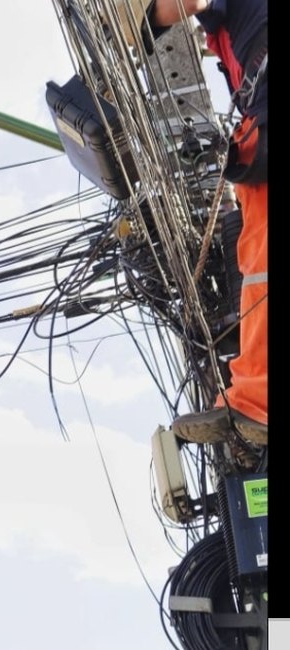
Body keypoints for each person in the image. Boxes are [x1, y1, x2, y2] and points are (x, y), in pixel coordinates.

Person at [139, 0, 267, 445]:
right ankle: (250, 395)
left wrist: (136, 23)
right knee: (255, 265)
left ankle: (257, 399)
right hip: (258, 131)